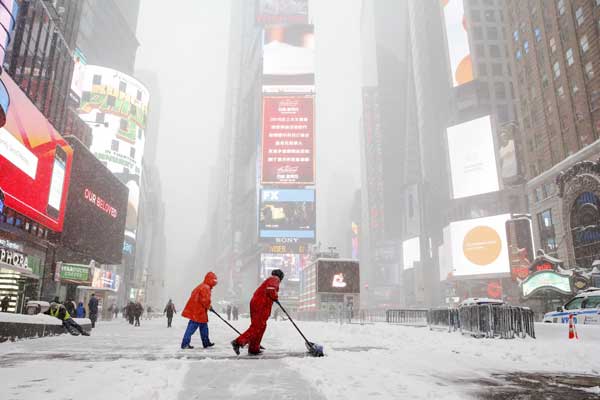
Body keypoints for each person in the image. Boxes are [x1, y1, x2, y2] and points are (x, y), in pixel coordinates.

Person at [231, 269, 283, 355]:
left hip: (259, 304)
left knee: (261, 326)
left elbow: (269, 290)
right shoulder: (274, 279)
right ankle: (238, 342)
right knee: (257, 327)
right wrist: (275, 297)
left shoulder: (270, 280)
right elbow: (271, 289)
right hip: (260, 305)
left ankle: (254, 348)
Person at [181, 271, 218, 349]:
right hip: (198, 312)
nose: (214, 285)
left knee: (204, 327)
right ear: (210, 280)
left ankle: (206, 343)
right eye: (214, 282)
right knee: (191, 328)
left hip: (198, 311)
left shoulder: (202, 286)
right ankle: (185, 344)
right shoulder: (205, 288)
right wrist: (209, 306)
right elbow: (205, 300)